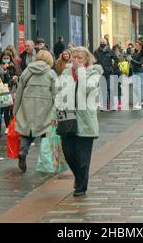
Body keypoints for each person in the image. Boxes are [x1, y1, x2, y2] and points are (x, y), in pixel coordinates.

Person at [54, 46, 103, 196]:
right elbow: (59, 92)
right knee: (68, 152)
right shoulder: (67, 72)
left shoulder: (94, 72)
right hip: (68, 119)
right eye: (74, 57)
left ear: (87, 60)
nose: (76, 61)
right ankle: (78, 176)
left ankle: (81, 186)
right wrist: (55, 113)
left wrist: (81, 71)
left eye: (80, 58)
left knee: (82, 158)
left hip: (85, 120)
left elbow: (86, 88)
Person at [15, 50, 57, 172]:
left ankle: (23, 151)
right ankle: (45, 160)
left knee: (27, 131)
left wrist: (15, 110)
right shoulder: (51, 73)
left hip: (27, 106)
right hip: (45, 107)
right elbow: (56, 93)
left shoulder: (27, 71)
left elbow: (19, 92)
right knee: (45, 131)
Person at [0, 51, 22, 134]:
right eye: (4, 58)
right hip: (4, 89)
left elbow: (19, 75)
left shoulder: (15, 66)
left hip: (13, 89)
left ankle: (14, 125)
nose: (5, 60)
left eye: (7, 58)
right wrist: (3, 71)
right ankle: (7, 126)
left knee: (13, 109)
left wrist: (16, 77)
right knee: (6, 109)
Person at [93, 38, 119, 111]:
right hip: (101, 73)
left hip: (109, 72)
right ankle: (103, 106)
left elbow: (117, 60)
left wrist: (113, 68)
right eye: (101, 42)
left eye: (104, 42)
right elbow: (93, 61)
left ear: (106, 43)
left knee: (110, 89)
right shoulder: (96, 52)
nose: (102, 43)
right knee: (103, 90)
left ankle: (112, 105)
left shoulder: (110, 51)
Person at [129, 41, 143, 110]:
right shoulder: (135, 52)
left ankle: (139, 103)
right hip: (134, 71)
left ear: (140, 46)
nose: (135, 46)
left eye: (137, 45)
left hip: (139, 71)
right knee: (137, 87)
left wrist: (131, 60)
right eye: (135, 45)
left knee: (137, 87)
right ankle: (142, 100)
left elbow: (140, 63)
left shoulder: (142, 54)